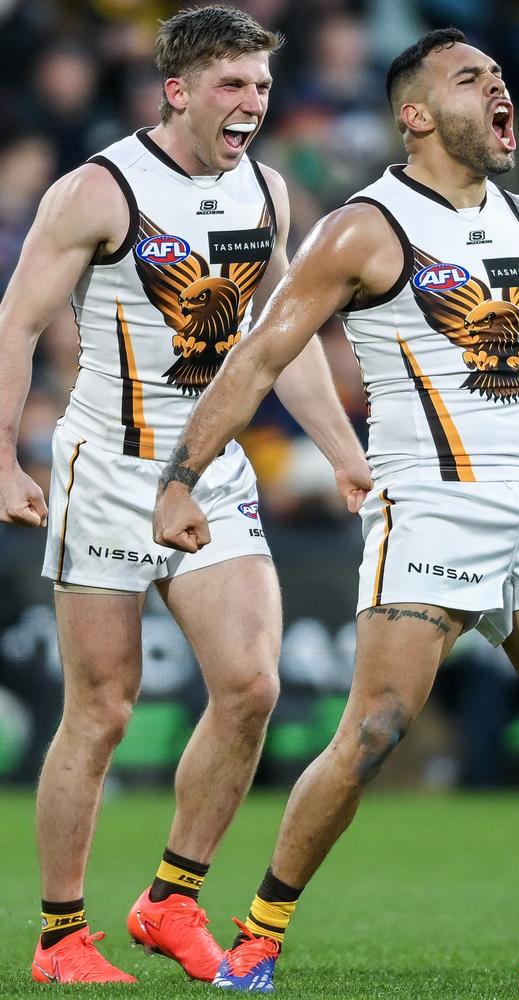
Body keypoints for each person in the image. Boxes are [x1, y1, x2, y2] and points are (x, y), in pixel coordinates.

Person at [153, 28, 519, 994]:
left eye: (501, 77)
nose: (499, 89)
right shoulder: (365, 228)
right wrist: (180, 476)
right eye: (473, 79)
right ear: (416, 114)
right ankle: (257, 936)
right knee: (374, 729)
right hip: (427, 511)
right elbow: (256, 356)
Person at [0, 5, 371, 986]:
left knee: (250, 685)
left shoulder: (267, 190)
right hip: (107, 470)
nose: (250, 103)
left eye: (259, 85)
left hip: (212, 468)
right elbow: (18, 319)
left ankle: (170, 898)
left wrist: (342, 451)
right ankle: (60, 936)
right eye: (230, 86)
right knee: (103, 708)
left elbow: (275, 347)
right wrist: (2, 455)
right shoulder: (100, 188)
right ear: (178, 90)